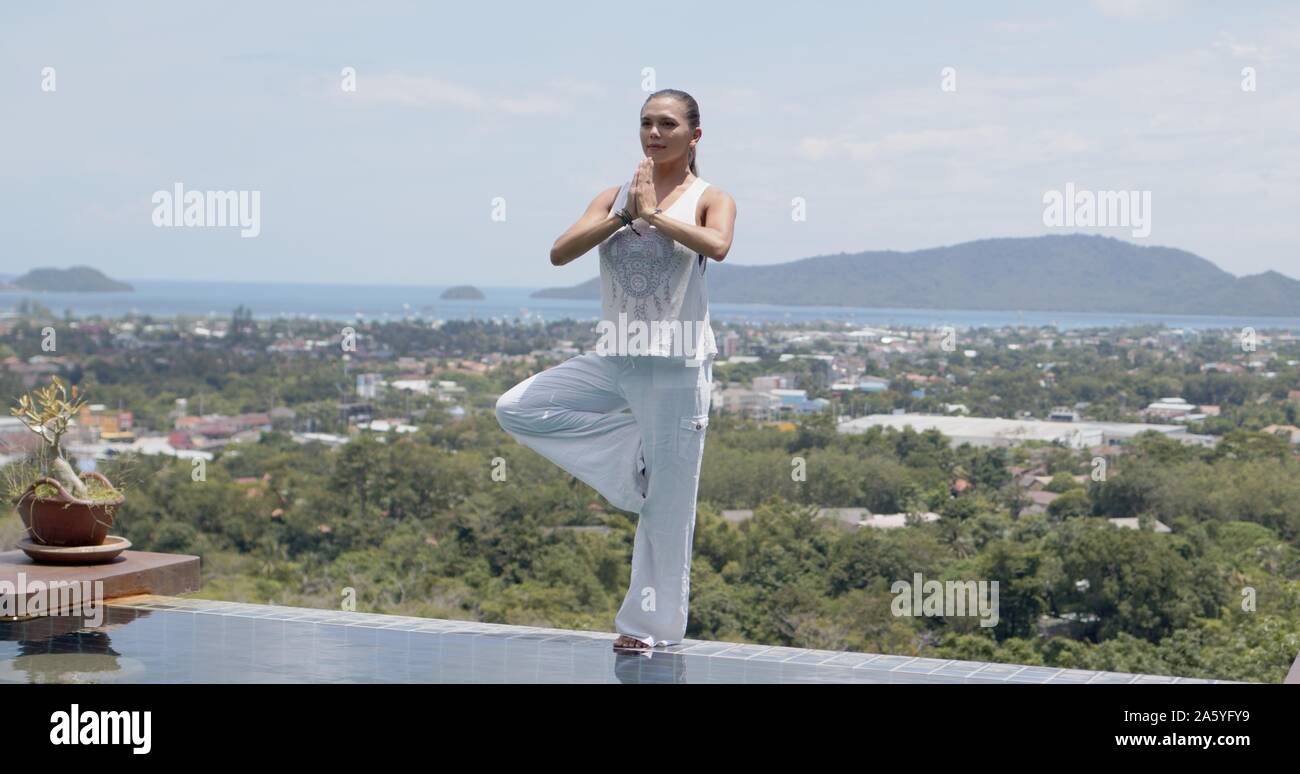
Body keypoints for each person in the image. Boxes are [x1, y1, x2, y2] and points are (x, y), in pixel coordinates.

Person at [495, 88, 737, 651]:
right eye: (647, 123)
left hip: (677, 367)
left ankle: (646, 629)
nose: (655, 133)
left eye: (668, 125)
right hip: (618, 356)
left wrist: (654, 215)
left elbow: (718, 246)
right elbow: (560, 252)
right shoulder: (613, 196)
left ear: (694, 136)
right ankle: (638, 460)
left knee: (669, 513)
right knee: (519, 407)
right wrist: (625, 214)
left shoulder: (710, 196)